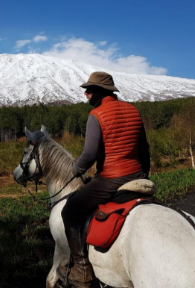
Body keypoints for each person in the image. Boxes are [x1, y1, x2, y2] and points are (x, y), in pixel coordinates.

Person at [59, 72, 150, 287]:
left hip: (111, 178)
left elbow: (90, 154)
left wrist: (75, 169)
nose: (86, 93)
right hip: (137, 175)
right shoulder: (133, 110)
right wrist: (143, 174)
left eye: (90, 90)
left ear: (100, 92)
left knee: (69, 211)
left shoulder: (97, 115)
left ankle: (81, 269)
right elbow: (144, 149)